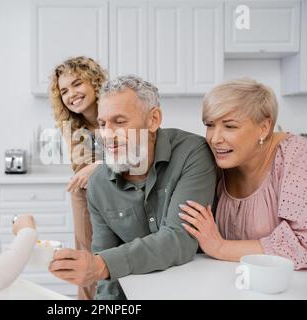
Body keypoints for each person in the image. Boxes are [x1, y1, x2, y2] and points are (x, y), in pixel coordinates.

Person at [49, 75, 217, 299]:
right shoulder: (99, 183)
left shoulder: (191, 154)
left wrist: (101, 264)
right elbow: (106, 276)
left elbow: (181, 239)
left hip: (196, 288)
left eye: (119, 122)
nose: (107, 135)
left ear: (153, 120)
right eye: (102, 124)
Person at [178, 78, 307, 269]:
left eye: (230, 126)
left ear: (264, 127)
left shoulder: (295, 154)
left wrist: (220, 247)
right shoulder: (216, 163)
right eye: (210, 124)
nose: (215, 138)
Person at [49, 56, 107, 299]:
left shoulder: (115, 109)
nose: (71, 94)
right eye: (64, 91)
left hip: (126, 188)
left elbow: (138, 154)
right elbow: (81, 168)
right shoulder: (70, 124)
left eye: (77, 84)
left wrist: (99, 165)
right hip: (90, 193)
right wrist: (96, 167)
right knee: (86, 255)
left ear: (94, 82)